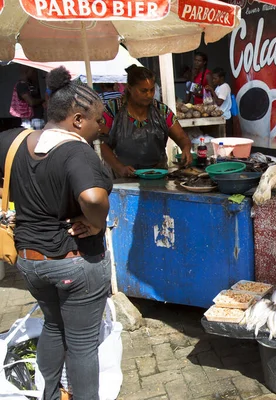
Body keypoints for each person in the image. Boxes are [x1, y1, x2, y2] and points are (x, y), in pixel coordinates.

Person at [0, 66, 113, 399]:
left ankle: (50, 395)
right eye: (97, 119)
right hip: (74, 261)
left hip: (29, 262)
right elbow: (93, 197)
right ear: (78, 120)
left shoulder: (12, 140)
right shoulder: (77, 152)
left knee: (54, 325)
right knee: (81, 345)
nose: (101, 126)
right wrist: (97, 222)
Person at [100, 65, 192, 177]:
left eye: (152, 90)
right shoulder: (114, 108)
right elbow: (101, 142)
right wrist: (119, 168)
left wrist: (186, 148)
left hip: (157, 175)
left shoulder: (161, 110)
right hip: (122, 176)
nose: (149, 95)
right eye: (143, 91)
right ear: (129, 88)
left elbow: (181, 137)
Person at [204, 67, 233, 135]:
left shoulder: (225, 87)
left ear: (221, 78)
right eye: (212, 78)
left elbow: (219, 102)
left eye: (215, 78)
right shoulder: (218, 87)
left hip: (224, 118)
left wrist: (212, 90)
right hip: (220, 117)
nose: (213, 80)